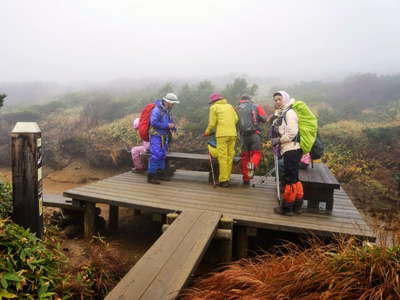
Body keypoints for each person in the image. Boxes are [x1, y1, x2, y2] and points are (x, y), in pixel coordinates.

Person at [271, 91, 304, 215]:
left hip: (291, 149)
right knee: (295, 178)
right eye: (275, 100)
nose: (277, 102)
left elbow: (291, 133)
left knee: (290, 178)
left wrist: (279, 140)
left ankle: (287, 208)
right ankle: (297, 205)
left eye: (279, 99)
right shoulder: (285, 112)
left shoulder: (289, 113)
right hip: (292, 149)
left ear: (285, 99)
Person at [204, 93, 238, 187]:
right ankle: (227, 177)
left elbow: (212, 123)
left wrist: (207, 132)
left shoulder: (214, 107)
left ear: (213, 101)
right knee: (229, 157)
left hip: (222, 135)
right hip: (233, 134)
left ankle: (223, 181)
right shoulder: (230, 106)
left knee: (222, 157)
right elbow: (236, 119)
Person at [147, 93, 179, 184]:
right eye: (173, 103)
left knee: (162, 155)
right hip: (156, 136)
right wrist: (167, 125)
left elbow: (169, 122)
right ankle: (151, 177)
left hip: (164, 137)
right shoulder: (157, 110)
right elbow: (153, 123)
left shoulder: (167, 111)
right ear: (167, 102)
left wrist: (173, 127)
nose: (174, 105)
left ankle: (160, 175)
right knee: (156, 155)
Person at [236, 95, 267, 185]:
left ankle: (246, 179)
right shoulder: (256, 106)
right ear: (249, 99)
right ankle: (252, 164)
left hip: (242, 136)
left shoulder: (236, 108)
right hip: (254, 134)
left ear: (241, 100)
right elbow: (264, 119)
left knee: (245, 157)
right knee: (256, 153)